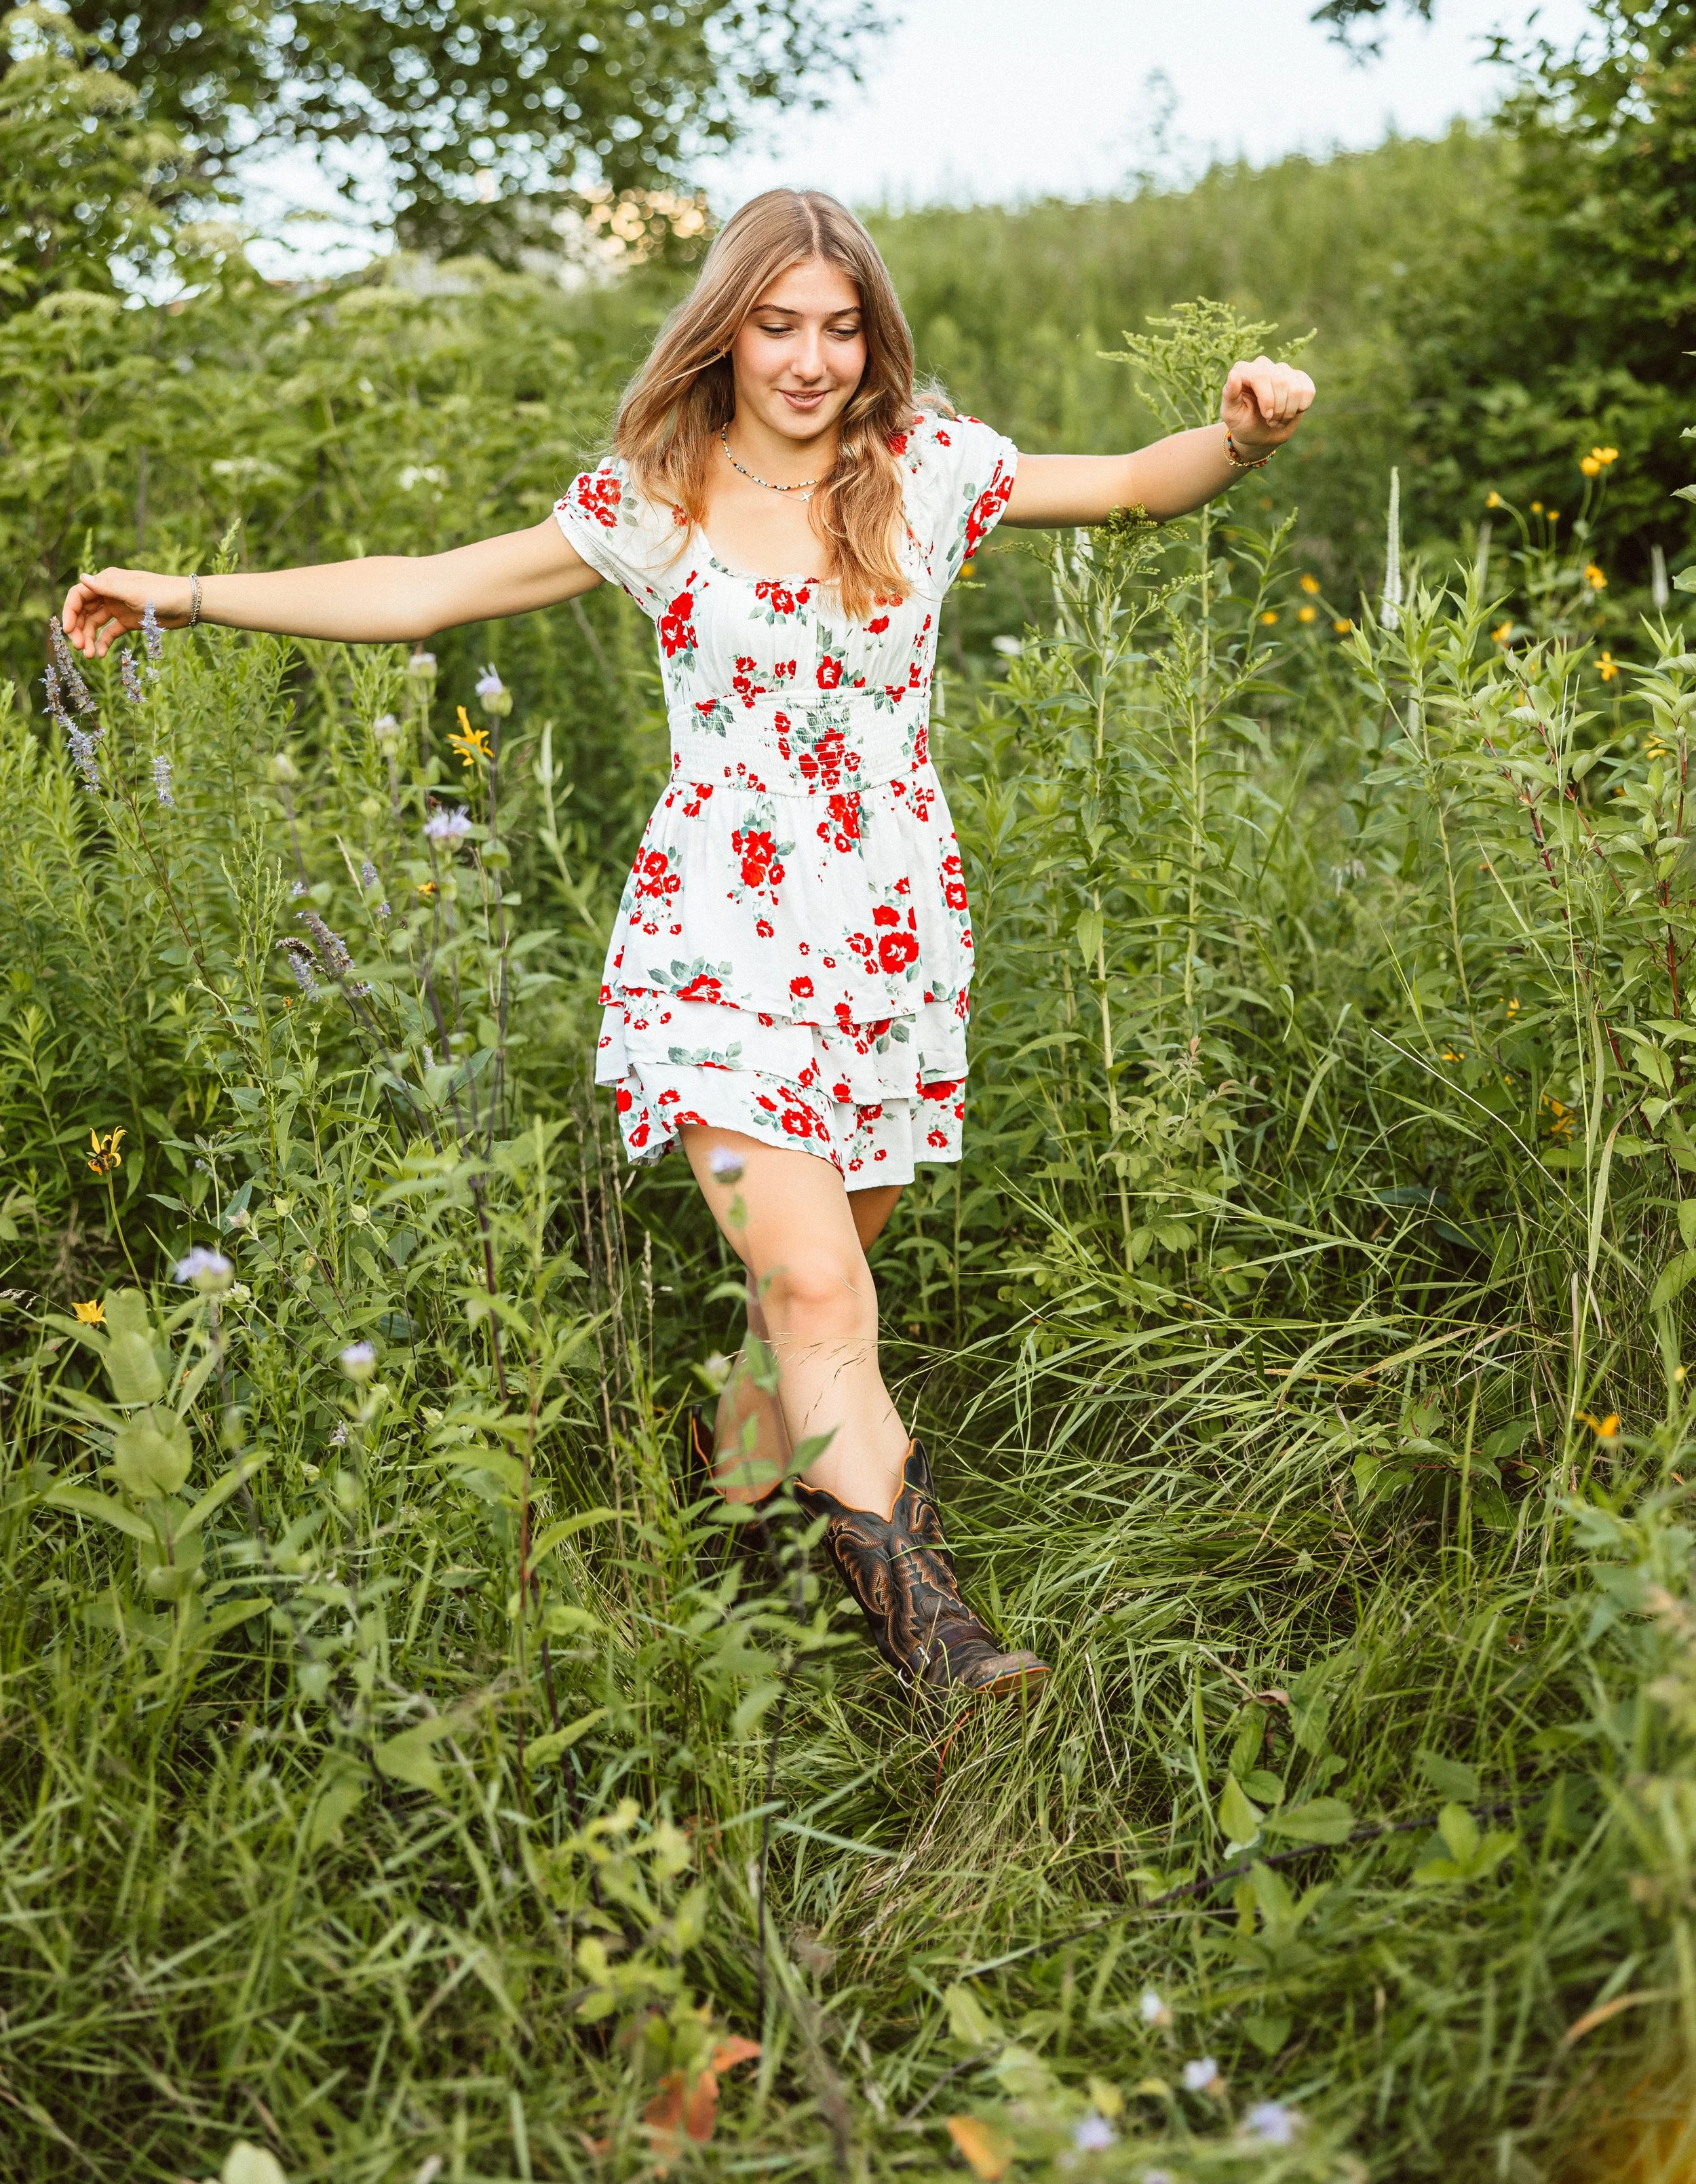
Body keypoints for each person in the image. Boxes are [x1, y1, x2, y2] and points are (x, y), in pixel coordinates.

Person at [61, 188, 1315, 1704]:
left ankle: (722, 1530)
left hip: (891, 940)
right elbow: (420, 596)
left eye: (839, 327)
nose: (808, 359)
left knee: (823, 1275)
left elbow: (1129, 481)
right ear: (722, 331)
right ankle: (948, 1659)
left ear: (874, 337)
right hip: (715, 940)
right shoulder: (653, 498)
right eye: (776, 325)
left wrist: (1238, 435)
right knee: (814, 1296)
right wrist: (180, 593)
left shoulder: (924, 472)